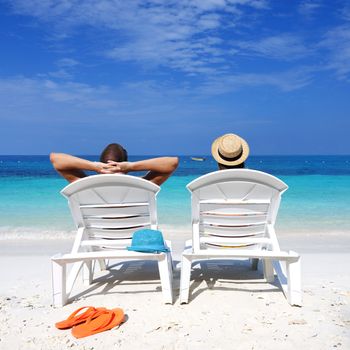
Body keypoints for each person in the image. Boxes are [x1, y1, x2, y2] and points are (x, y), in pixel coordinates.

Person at [50, 143, 179, 186]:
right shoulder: (143, 185)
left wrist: (95, 166)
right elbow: (172, 162)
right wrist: (130, 167)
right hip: (134, 238)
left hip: (98, 237)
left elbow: (56, 159)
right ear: (124, 162)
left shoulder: (83, 185)